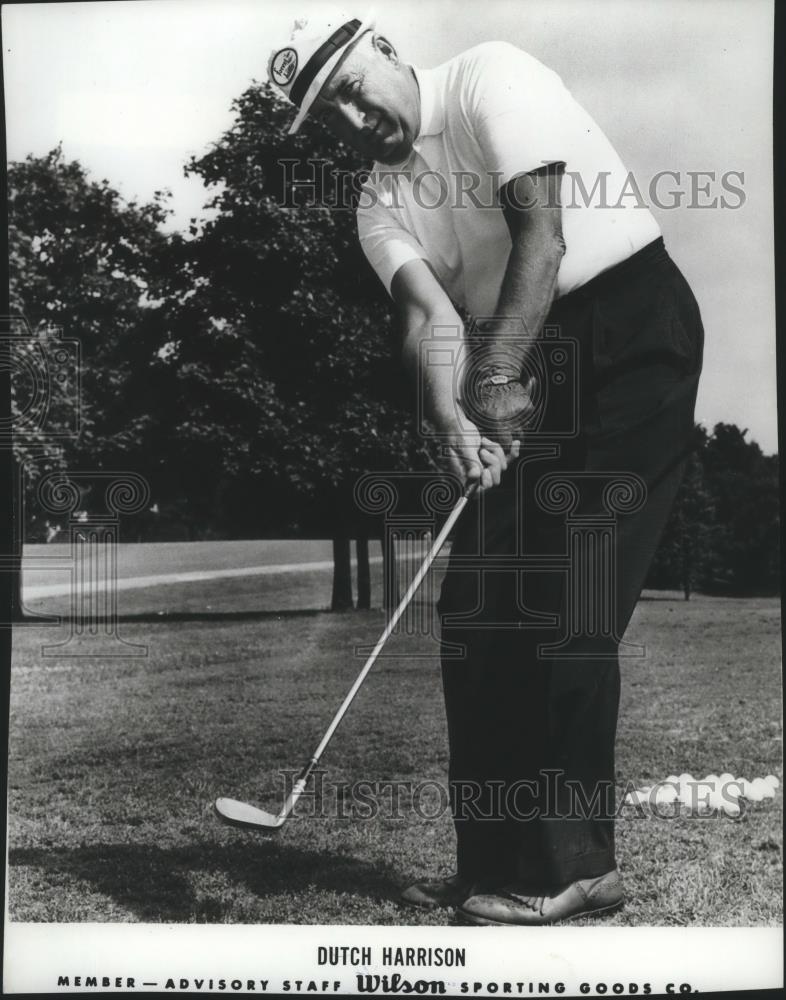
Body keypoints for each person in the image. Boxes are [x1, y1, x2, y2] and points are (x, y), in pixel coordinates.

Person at [267, 9, 703, 925]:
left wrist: (496, 377)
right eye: (327, 120)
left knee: (567, 601)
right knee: (476, 613)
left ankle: (572, 867)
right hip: (520, 352)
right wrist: (451, 419)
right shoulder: (375, 202)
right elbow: (429, 320)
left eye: (350, 92)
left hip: (626, 331)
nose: (351, 123)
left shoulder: (487, 78)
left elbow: (543, 237)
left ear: (383, 51)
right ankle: (489, 864)